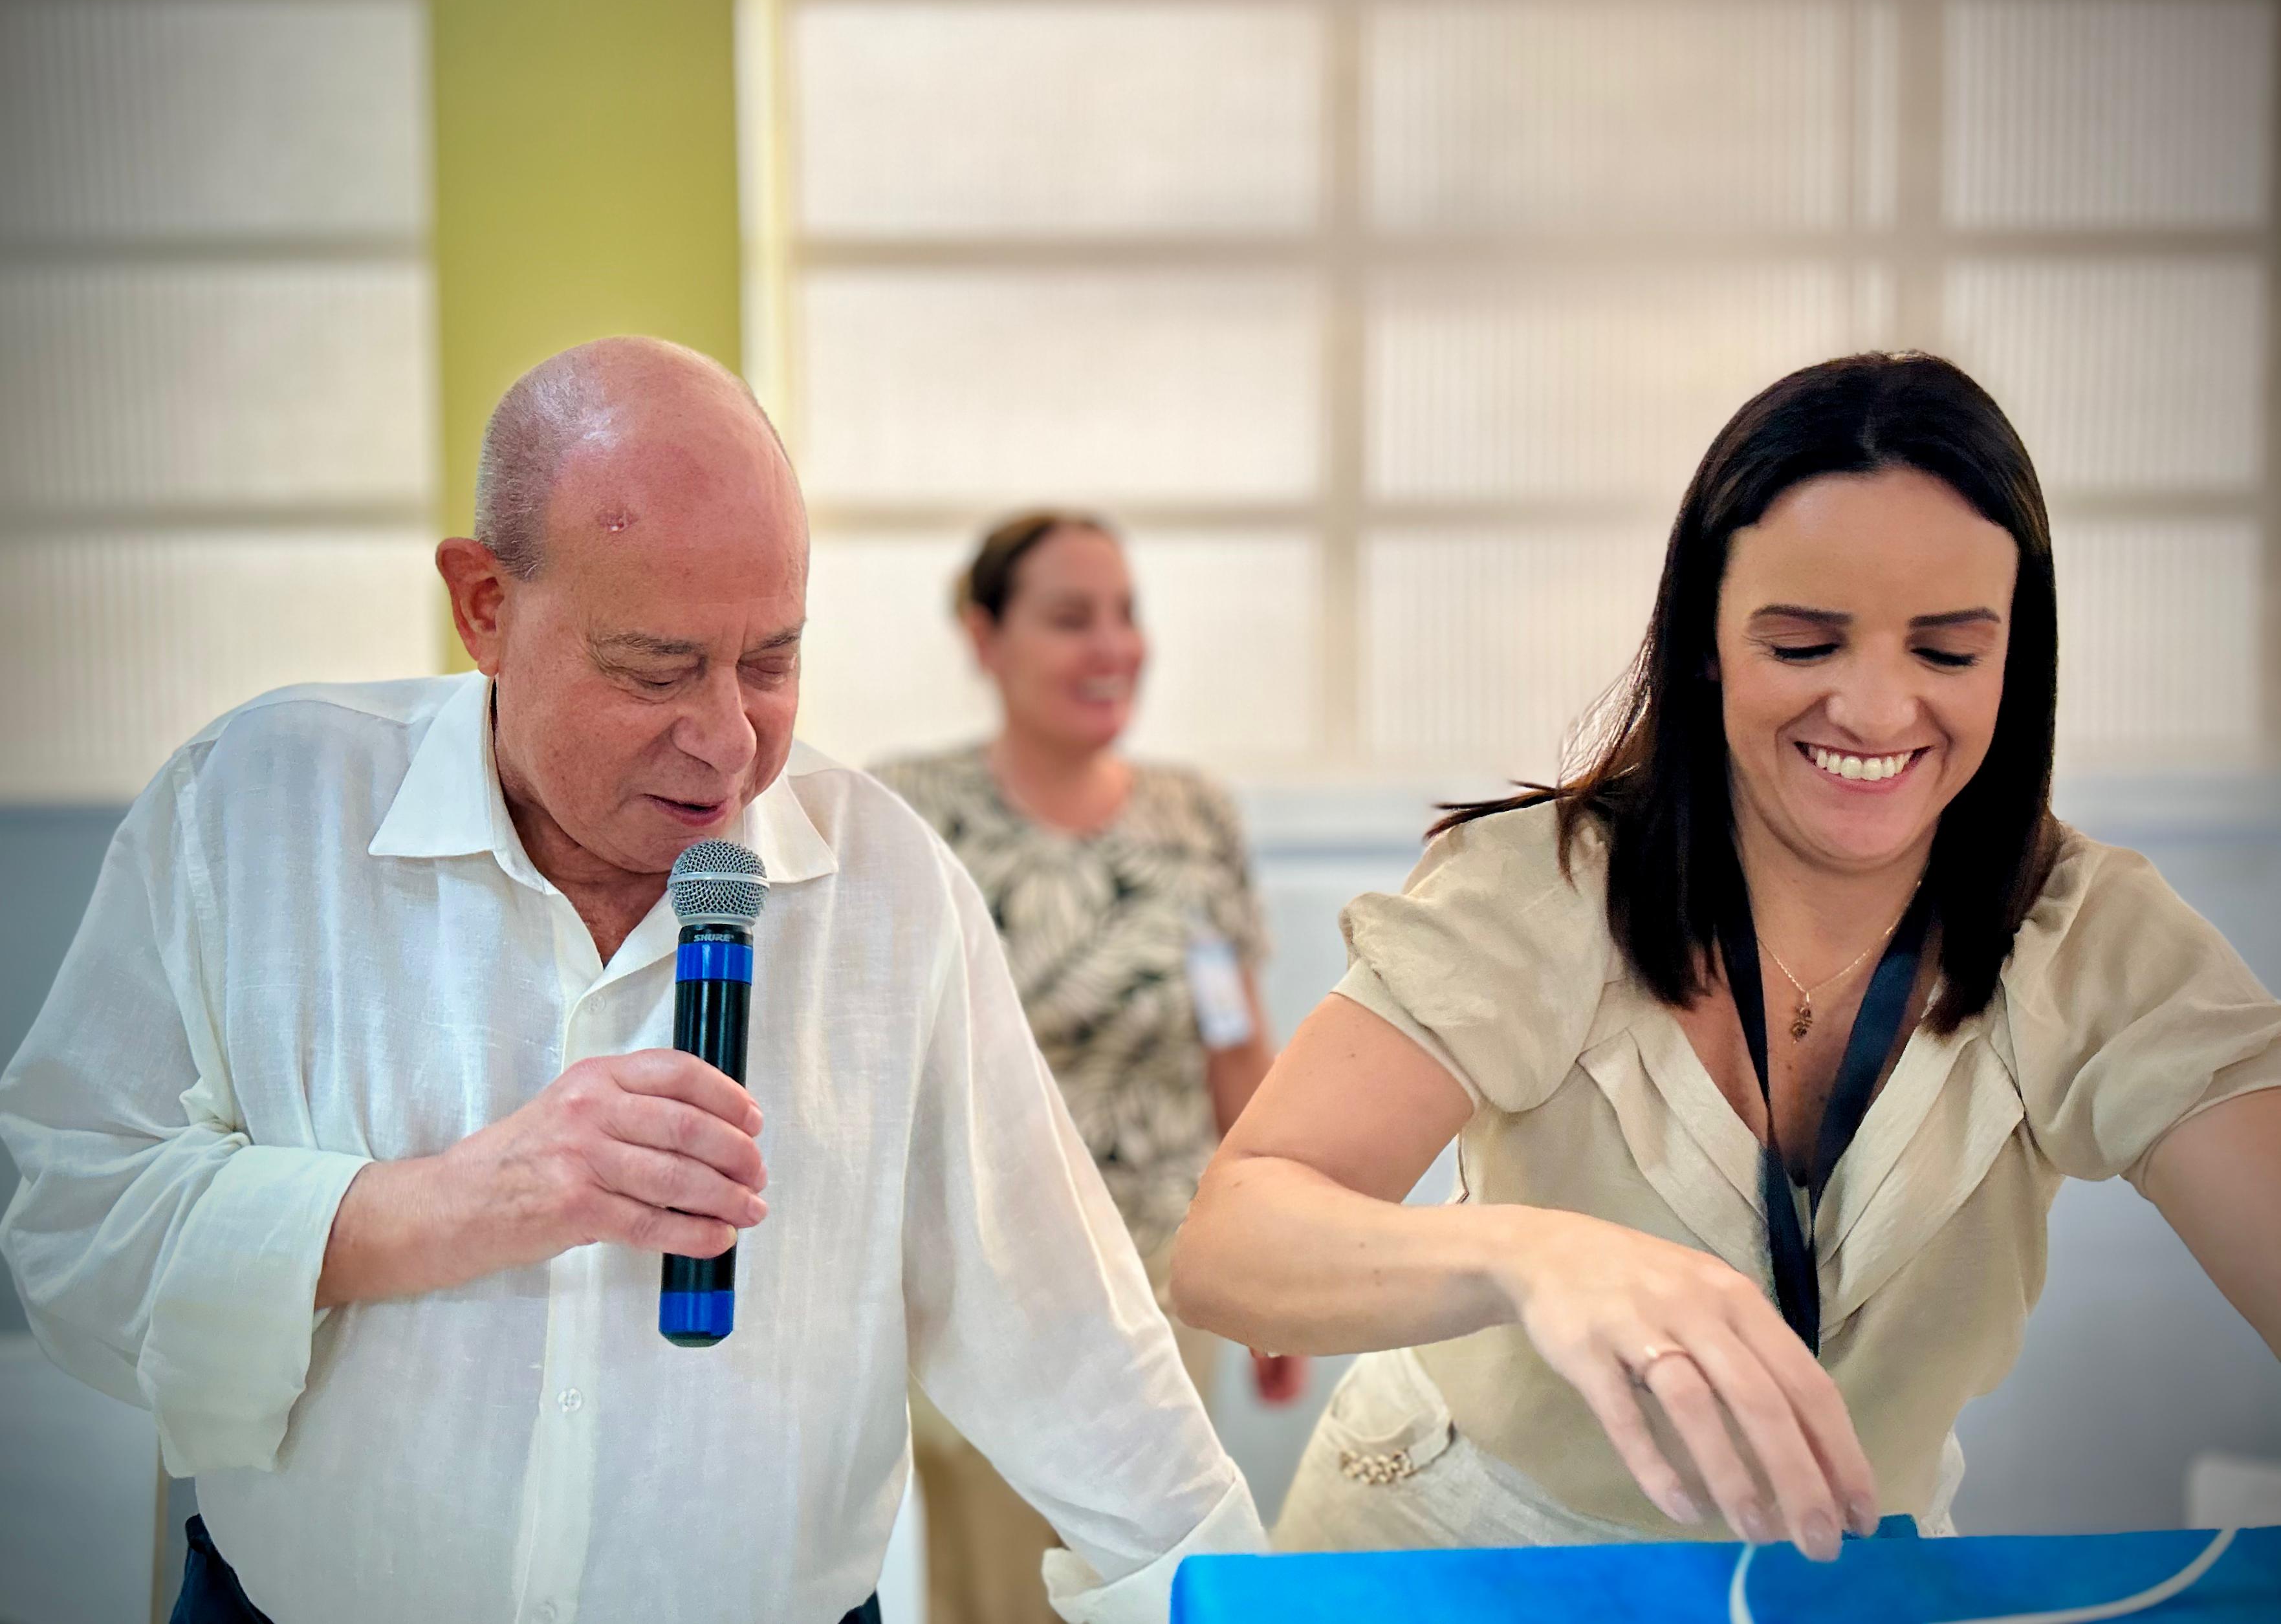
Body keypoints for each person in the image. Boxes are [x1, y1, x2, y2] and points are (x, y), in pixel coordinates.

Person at [0, 338, 1262, 1623]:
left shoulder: (887, 884)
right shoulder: (257, 806)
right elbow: (74, 1233)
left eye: (770, 662)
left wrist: (1229, 1591)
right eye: (654, 669)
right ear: (484, 607)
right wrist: (441, 1206)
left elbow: (1057, 1318)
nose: (726, 741)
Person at [1170, 352, 2281, 1562]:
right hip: (1455, 1540)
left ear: (2017, 658)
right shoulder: (1547, 888)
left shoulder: (2090, 934)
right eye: (1803, 645)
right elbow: (1231, 1244)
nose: (1875, 711)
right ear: (1703, 637)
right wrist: (1532, 1256)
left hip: (1835, 1570)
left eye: (1948, 653)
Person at [873, 513, 1299, 1624]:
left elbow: (1236, 1055)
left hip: (1164, 1281)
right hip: (982, 1285)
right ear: (985, 636)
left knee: (1152, 1589)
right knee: (997, 1597)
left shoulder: (1191, 816)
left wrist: (1277, 1274)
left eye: (1124, 614)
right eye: (1070, 618)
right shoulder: (909, 813)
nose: (1112, 646)